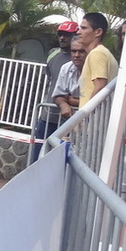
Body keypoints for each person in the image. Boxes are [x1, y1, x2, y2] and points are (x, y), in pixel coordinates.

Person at [32, 20, 78, 161]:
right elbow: (51, 79)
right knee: (38, 157)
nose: (62, 38)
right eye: (60, 34)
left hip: (68, 119)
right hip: (47, 116)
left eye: (67, 35)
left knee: (60, 160)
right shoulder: (53, 54)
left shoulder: (80, 58)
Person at [77, 12, 118, 107]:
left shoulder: (97, 53)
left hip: (95, 115)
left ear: (98, 32)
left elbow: (100, 86)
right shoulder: (101, 52)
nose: (78, 32)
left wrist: (87, 113)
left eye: (84, 28)